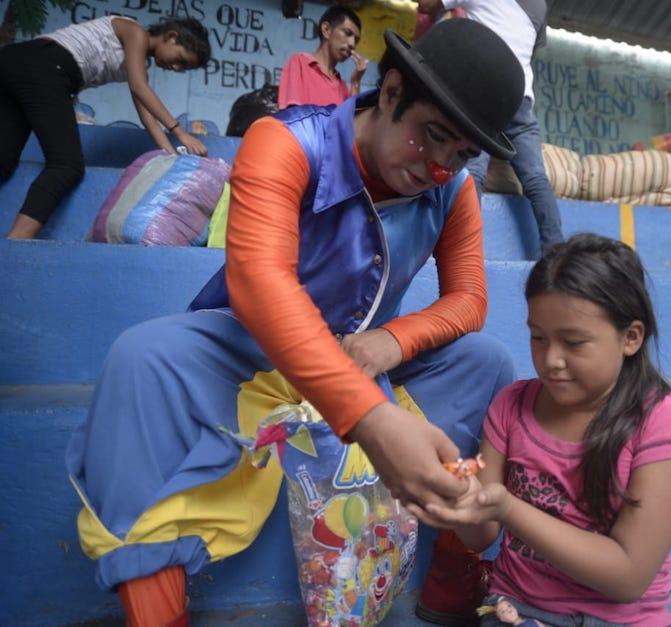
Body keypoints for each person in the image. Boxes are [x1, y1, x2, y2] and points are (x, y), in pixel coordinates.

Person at [65, 18, 524, 626]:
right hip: (248, 350)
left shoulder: (453, 192)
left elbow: (468, 301)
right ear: (389, 93)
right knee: (141, 358)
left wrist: (393, 340)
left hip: (366, 355)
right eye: (433, 136)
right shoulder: (285, 141)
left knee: (490, 365)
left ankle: (453, 587)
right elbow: (259, 283)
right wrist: (370, 418)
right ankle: (158, 612)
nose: (440, 166)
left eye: (461, 154)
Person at [418, 234, 671, 626]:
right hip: (514, 612)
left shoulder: (665, 421)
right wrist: (458, 497)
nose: (551, 359)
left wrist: (507, 507)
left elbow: (628, 578)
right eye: (538, 337)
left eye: (574, 342)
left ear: (631, 338)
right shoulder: (511, 405)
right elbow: (480, 535)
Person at [0, 16, 211, 240]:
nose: (177, 68)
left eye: (184, 68)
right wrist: (179, 132)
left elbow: (146, 115)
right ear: (171, 37)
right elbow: (140, 88)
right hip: (44, 67)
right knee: (66, 166)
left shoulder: (136, 64)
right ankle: (16, 241)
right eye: (181, 60)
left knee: (3, 161)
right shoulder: (135, 32)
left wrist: (170, 155)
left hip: (14, 62)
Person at [417, 0, 563, 256]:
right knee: (537, 179)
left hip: (486, 87)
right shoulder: (539, 5)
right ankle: (557, 254)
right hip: (521, 97)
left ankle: (461, 249)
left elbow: (427, 5)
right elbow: (530, 51)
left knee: (472, 171)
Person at [277, 5, 369, 109]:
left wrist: (356, 82)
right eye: (347, 33)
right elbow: (292, 118)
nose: (352, 44)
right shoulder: (299, 62)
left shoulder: (343, 88)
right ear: (326, 30)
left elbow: (351, 123)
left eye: (356, 40)